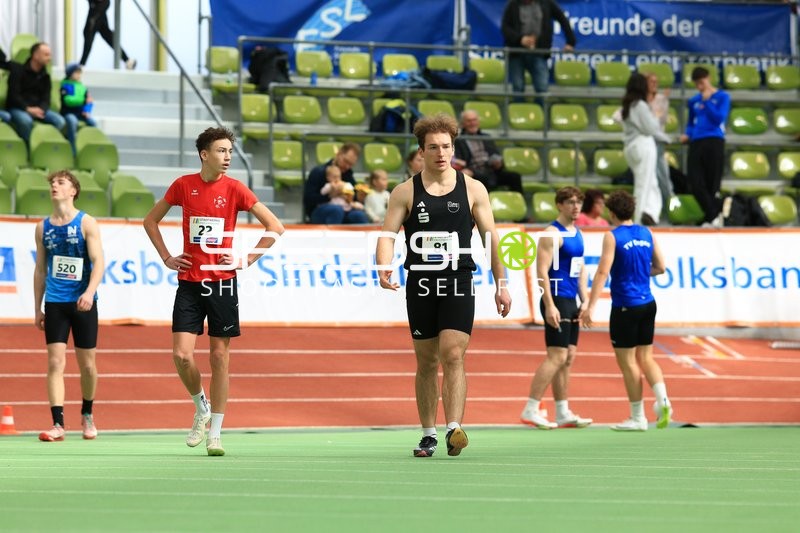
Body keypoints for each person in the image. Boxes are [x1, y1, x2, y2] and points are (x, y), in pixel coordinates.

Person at [376, 113, 512, 458]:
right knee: (425, 361)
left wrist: (502, 283)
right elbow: (387, 234)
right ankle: (428, 433)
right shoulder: (405, 191)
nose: (441, 153)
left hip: (458, 280)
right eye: (433, 147)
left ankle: (454, 428)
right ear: (421, 151)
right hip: (420, 282)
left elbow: (491, 240)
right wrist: (383, 265)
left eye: (446, 146)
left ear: (454, 147)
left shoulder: (474, 189)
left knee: (453, 354)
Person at [143, 127, 285, 456]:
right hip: (189, 283)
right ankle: (201, 407)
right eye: (221, 151)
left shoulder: (236, 189)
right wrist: (166, 257)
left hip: (221, 281)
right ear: (204, 154)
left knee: (220, 357)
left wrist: (246, 257)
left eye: (230, 152)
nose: (228, 157)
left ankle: (216, 433)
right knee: (181, 355)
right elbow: (150, 221)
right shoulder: (182, 185)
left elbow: (275, 226)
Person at [581, 190, 672, 431]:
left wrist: (590, 306)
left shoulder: (612, 237)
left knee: (628, 363)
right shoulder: (647, 232)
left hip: (625, 306)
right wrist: (640, 274)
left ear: (612, 212)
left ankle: (637, 417)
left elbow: (602, 272)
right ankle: (663, 400)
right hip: (648, 303)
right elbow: (661, 267)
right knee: (647, 357)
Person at [33, 170, 105, 442]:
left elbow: (99, 261)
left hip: (83, 303)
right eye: (52, 183)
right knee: (55, 362)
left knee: (87, 365)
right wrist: (36, 308)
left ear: (73, 190)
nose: (54, 186)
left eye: (60, 182)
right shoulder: (43, 227)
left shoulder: (86, 222)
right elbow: (40, 270)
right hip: (55, 302)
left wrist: (89, 292)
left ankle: (87, 413)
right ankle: (58, 424)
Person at [520, 186, 592, 429]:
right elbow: (541, 270)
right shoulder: (551, 233)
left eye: (579, 203)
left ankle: (562, 411)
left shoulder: (577, 232)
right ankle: (531, 408)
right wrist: (549, 304)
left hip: (572, 300)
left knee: (568, 357)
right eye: (570, 202)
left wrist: (586, 301)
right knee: (557, 356)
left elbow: (580, 269)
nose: (576, 207)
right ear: (559, 205)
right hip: (556, 298)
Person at [680, 66, 730, 227]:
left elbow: (719, 119)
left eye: (702, 82)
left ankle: (710, 218)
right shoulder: (693, 101)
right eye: (697, 84)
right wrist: (688, 133)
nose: (700, 87)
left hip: (714, 140)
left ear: (708, 79)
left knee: (712, 183)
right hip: (696, 141)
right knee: (695, 182)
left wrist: (707, 102)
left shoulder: (722, 97)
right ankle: (715, 215)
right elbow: (690, 122)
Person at [620, 72, 671, 226]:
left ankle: (650, 214)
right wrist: (656, 115)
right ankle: (637, 221)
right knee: (644, 184)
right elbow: (651, 128)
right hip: (642, 145)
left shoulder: (628, 104)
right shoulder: (640, 105)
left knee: (652, 182)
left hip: (631, 147)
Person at [501, 0, 576, 104]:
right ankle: (519, 114)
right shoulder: (512, 4)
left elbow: (562, 19)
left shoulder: (547, 3)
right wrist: (520, 39)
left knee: (542, 87)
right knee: (518, 88)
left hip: (539, 52)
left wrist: (570, 41)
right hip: (516, 52)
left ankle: (541, 116)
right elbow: (505, 28)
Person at [4, 42, 67, 146]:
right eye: (46, 54)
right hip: (18, 108)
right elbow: (13, 96)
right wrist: (27, 109)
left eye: (50, 55)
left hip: (38, 109)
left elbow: (46, 98)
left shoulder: (45, 77)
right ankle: (30, 148)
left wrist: (41, 109)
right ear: (36, 55)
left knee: (60, 121)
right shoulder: (18, 71)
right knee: (25, 121)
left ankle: (43, 146)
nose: (49, 58)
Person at [453, 109, 523, 194]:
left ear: (478, 122)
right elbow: (459, 161)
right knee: (480, 178)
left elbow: (496, 155)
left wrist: (498, 164)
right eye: (469, 121)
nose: (472, 123)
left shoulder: (487, 137)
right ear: (463, 124)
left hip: (490, 170)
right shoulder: (459, 140)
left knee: (515, 177)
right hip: (473, 171)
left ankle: (518, 203)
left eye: (474, 120)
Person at [303, 143, 369, 224]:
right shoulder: (319, 172)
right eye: (346, 161)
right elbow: (308, 199)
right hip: (319, 211)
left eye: (351, 165)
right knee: (336, 210)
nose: (347, 166)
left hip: (344, 210)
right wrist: (330, 195)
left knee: (359, 215)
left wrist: (359, 198)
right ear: (339, 153)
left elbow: (353, 197)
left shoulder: (348, 174)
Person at [645, 72, 674, 219]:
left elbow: (659, 122)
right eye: (651, 81)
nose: (654, 84)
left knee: (663, 176)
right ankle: (651, 211)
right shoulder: (640, 100)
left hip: (657, 142)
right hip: (644, 142)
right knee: (649, 178)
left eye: (656, 82)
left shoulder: (662, 99)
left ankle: (670, 208)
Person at [79, 0, 137, 69]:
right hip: (97, 6)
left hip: (100, 6)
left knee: (89, 32)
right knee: (107, 35)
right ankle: (127, 60)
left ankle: (81, 65)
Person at [61, 63, 98, 155]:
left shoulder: (82, 87)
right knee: (72, 122)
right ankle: (73, 149)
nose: (78, 75)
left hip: (81, 113)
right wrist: (83, 101)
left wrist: (87, 111)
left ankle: (90, 147)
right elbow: (68, 101)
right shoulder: (66, 86)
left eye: (79, 73)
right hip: (69, 112)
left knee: (93, 123)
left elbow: (89, 102)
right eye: (76, 73)